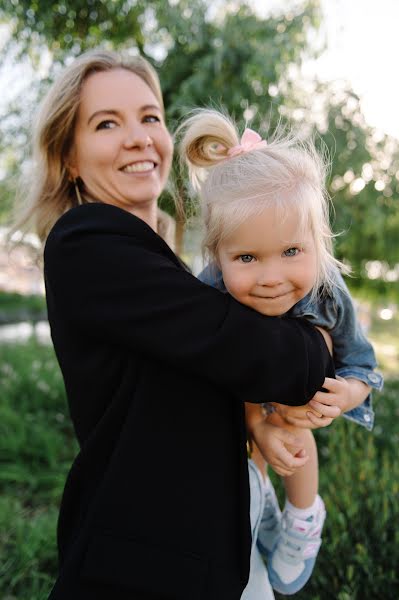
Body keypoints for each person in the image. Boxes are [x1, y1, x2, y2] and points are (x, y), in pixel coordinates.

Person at [15, 49, 337, 600]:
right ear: (69, 157)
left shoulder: (162, 260)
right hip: (142, 565)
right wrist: (325, 341)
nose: (139, 137)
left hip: (202, 548)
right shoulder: (87, 243)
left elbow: (198, 377)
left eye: (150, 117)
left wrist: (255, 423)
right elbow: (258, 355)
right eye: (107, 123)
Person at [178, 109, 383, 597]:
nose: (271, 276)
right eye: (247, 258)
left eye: (291, 251)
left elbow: (364, 367)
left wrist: (347, 395)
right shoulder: (209, 292)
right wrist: (252, 421)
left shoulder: (329, 295)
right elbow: (207, 367)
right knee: (245, 435)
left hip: (295, 408)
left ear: (318, 242)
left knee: (293, 412)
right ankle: (259, 501)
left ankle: (303, 515)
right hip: (238, 400)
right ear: (217, 256)